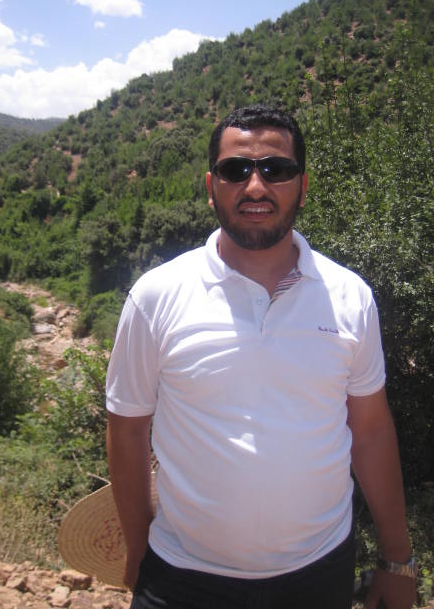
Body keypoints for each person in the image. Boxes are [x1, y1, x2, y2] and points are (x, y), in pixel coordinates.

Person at [106, 104, 416, 609]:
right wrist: (140, 549)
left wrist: (398, 560)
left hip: (319, 575)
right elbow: (127, 429)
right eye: (235, 170)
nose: (255, 186)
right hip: (182, 580)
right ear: (211, 186)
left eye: (276, 169)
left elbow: (371, 432)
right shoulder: (156, 297)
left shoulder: (350, 297)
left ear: (303, 186)